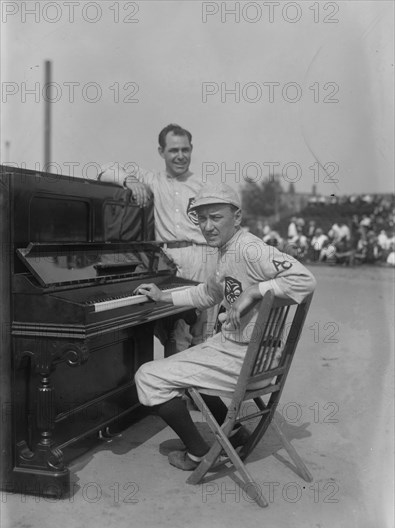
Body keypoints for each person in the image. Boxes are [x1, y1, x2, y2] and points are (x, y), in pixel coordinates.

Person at [132, 182, 316, 471]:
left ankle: (198, 453)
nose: (207, 226)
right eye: (201, 218)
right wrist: (162, 295)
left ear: (237, 217)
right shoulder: (229, 249)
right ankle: (232, 431)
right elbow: (206, 294)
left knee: (147, 375)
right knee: (188, 358)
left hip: (247, 364)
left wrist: (254, 291)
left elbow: (305, 279)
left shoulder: (250, 249)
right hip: (252, 357)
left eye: (215, 217)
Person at [99, 124, 218, 355]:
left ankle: (199, 391)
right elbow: (104, 169)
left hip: (205, 258)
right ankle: (176, 389)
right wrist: (130, 181)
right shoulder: (151, 179)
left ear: (192, 149)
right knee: (176, 332)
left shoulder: (205, 186)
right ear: (161, 151)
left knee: (203, 334)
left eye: (185, 149)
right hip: (172, 261)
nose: (181, 156)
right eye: (173, 150)